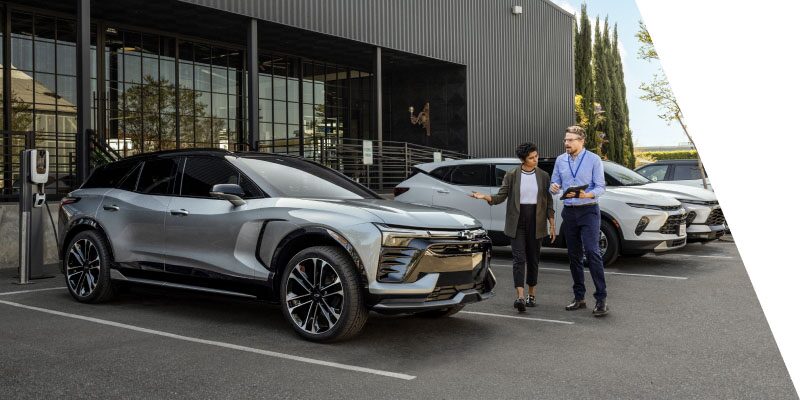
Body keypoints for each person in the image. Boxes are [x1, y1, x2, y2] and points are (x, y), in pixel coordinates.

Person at [470, 143, 555, 312]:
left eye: (536, 156)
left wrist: (552, 224)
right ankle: (520, 297)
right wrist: (485, 197)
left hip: (536, 222)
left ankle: (532, 294)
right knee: (519, 259)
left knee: (533, 259)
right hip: (516, 222)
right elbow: (501, 197)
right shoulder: (512, 175)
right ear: (523, 159)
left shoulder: (544, 176)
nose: (535, 159)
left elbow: (548, 201)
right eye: (531, 157)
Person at [549, 125, 609, 317]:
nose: (566, 143)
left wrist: (588, 194)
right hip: (569, 212)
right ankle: (579, 298)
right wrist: (554, 187)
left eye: (570, 140)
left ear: (581, 141)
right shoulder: (560, 160)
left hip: (589, 210)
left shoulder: (593, 159)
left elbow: (601, 187)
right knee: (574, 256)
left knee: (592, 252)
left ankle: (601, 300)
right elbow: (554, 184)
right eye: (565, 140)